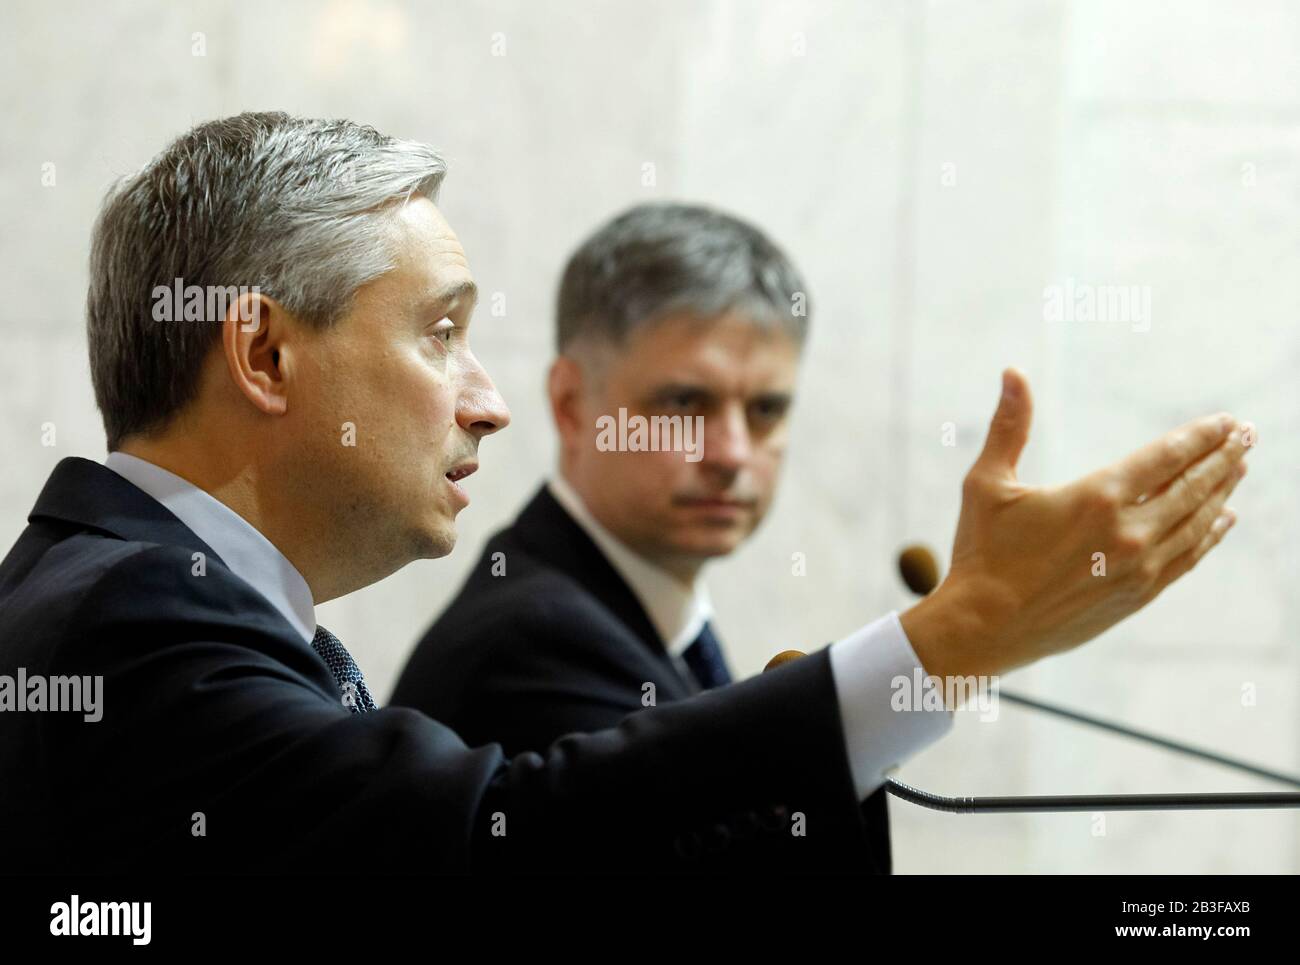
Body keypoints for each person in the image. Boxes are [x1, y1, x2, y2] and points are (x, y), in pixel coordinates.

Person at [0, 112, 1252, 874]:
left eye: (766, 410)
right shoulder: (131, 619)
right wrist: (952, 643)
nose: (479, 400)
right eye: (441, 333)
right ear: (266, 354)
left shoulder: (150, 594)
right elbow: (503, 839)